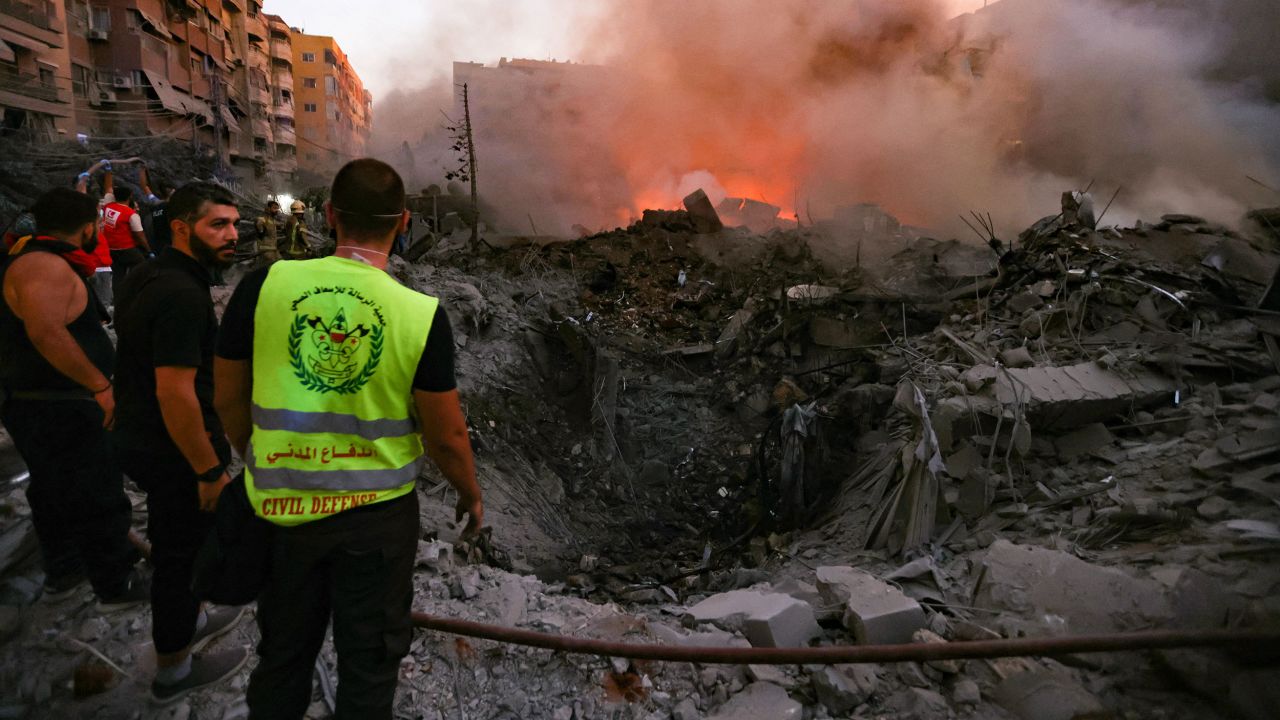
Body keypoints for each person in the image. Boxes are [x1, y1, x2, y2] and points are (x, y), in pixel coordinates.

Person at [214, 158, 484, 719]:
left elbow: (227, 398)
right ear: (404, 221)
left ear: (329, 215)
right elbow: (446, 433)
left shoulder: (265, 284)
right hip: (375, 523)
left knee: (283, 653)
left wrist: (259, 458)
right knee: (369, 662)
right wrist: (469, 494)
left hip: (280, 509)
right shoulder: (418, 314)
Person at [113, 182, 248, 704]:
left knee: (185, 549)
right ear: (180, 227)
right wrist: (209, 470)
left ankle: (192, 620)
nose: (232, 235)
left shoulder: (149, 274)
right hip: (173, 451)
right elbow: (176, 392)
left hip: (145, 438)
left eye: (235, 223)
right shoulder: (181, 295)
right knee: (178, 556)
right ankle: (173, 671)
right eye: (218, 225)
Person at [0, 188, 147, 609]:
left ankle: (66, 571)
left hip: (45, 401)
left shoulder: (36, 260)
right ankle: (116, 582)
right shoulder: (43, 266)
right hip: (59, 403)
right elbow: (46, 332)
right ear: (88, 228)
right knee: (97, 490)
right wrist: (99, 386)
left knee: (54, 489)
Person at [99, 170, 153, 298]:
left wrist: (108, 172)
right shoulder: (131, 214)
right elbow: (140, 236)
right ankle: (137, 291)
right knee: (142, 265)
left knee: (118, 274)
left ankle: (119, 298)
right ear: (129, 197)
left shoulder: (108, 205)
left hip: (110, 248)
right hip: (126, 249)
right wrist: (149, 250)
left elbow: (108, 187)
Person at [254, 200, 282, 265]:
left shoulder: (272, 221)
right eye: (274, 208)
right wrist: (261, 230)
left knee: (281, 263)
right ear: (268, 208)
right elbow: (259, 230)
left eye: (277, 208)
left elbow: (279, 224)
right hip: (266, 250)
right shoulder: (262, 220)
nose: (276, 210)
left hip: (273, 249)